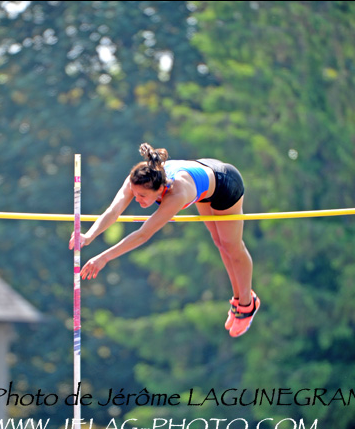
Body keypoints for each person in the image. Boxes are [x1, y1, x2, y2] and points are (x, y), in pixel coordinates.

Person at [69, 143, 260, 337]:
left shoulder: (177, 193)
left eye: (142, 196)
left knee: (231, 245)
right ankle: (239, 299)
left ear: (160, 190)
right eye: (135, 194)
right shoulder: (137, 178)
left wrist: (103, 258)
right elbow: (113, 211)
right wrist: (88, 236)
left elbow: (143, 234)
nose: (136, 199)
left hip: (225, 184)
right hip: (203, 179)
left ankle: (246, 304)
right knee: (219, 243)